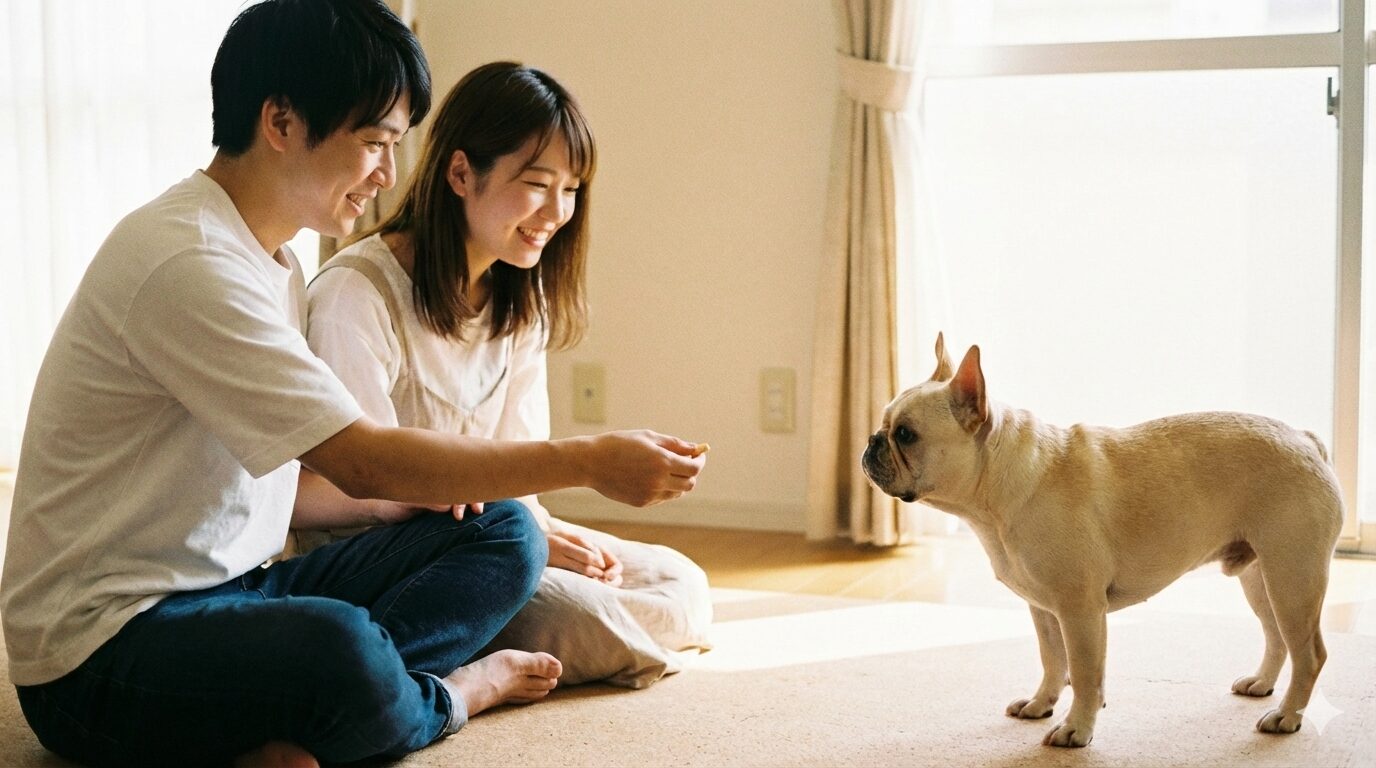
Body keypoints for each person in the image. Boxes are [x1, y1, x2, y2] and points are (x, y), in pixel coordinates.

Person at [0, 2, 705, 766]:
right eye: (374, 143)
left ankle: (338, 707)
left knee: (502, 530)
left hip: (236, 591)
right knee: (334, 643)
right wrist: (589, 460)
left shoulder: (273, 263)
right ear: (282, 121)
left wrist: (422, 501)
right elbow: (363, 459)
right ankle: (446, 695)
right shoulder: (189, 261)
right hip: (102, 649)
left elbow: (281, 489)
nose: (389, 175)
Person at [298, 61, 713, 689]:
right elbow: (356, 487)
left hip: (497, 535)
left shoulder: (521, 302)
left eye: (572, 188)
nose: (558, 210)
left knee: (679, 580)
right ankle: (436, 661)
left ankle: (518, 630)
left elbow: (520, 478)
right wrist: (535, 542)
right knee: (586, 616)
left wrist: (544, 532)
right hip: (381, 560)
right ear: (461, 172)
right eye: (538, 183)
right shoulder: (356, 294)